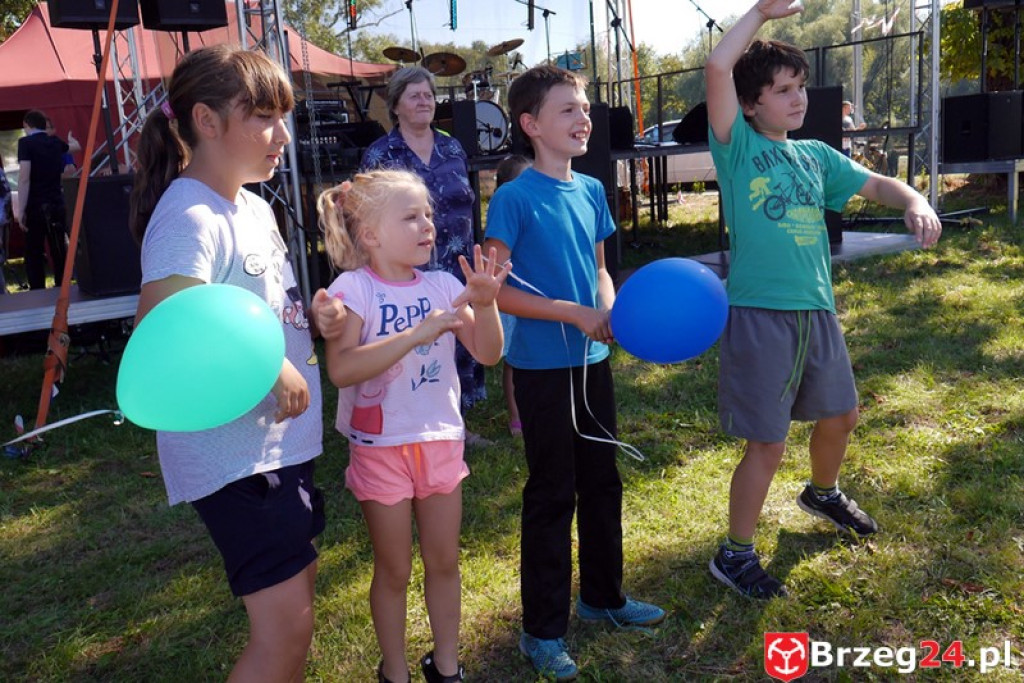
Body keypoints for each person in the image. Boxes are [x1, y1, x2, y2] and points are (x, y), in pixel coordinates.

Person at [704, 0, 942, 599]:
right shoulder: (738, 149)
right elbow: (716, 67)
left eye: (800, 88)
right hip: (760, 315)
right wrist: (759, 13)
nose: (797, 99)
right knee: (769, 441)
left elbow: (876, 184)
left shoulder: (813, 158)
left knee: (841, 415)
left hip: (817, 310)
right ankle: (734, 555)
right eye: (782, 90)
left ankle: (823, 492)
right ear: (752, 103)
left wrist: (913, 199)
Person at [129, 45, 346, 680]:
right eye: (263, 117)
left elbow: (260, 304)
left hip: (279, 449)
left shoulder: (251, 204)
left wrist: (316, 317)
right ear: (206, 119)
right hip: (238, 463)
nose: (282, 135)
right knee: (281, 637)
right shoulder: (189, 214)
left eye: (285, 116)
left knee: (297, 616)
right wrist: (263, 363)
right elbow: (163, 328)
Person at [483, 65, 666, 681]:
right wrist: (570, 311)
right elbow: (497, 294)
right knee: (552, 492)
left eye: (585, 106)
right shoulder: (512, 197)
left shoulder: (591, 191)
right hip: (540, 369)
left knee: (603, 482)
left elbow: (601, 270)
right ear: (531, 125)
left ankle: (603, 598)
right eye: (567, 109)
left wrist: (609, 308)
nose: (583, 117)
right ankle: (542, 631)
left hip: (592, 363)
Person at [318, 169, 507, 683]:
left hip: (440, 442)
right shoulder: (352, 289)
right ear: (371, 234)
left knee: (444, 561)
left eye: (428, 214)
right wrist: (417, 332)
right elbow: (343, 369)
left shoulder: (446, 285)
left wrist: (485, 304)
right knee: (395, 569)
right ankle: (395, 671)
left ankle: (447, 665)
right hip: (381, 449)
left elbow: (488, 353)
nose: (428, 225)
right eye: (410, 216)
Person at [359, 66, 490, 446]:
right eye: (414, 94)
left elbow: (467, 203)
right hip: (407, 273)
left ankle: (458, 425)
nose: (424, 101)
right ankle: (412, 425)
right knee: (418, 346)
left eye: (429, 95)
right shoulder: (381, 154)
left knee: (460, 342)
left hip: (455, 265)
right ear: (395, 104)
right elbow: (367, 216)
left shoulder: (452, 147)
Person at [492, 153, 532, 437]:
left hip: (537, 297)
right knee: (514, 359)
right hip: (512, 297)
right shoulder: (504, 216)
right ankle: (516, 415)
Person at [17, 109, 69, 290]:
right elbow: (70, 147)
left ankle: (38, 289)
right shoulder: (54, 142)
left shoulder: (25, 143)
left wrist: (21, 209)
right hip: (56, 201)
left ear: (27, 125)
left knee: (34, 251)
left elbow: (24, 177)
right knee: (58, 248)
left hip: (36, 204)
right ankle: (62, 285)